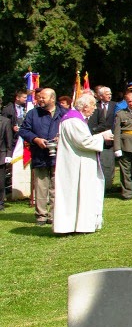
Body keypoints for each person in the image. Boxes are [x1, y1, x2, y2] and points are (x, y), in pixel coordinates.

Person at [53, 92, 113, 234]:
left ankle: (81, 224)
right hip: (76, 164)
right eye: (92, 106)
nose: (94, 109)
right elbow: (84, 141)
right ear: (85, 107)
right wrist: (102, 136)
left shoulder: (76, 120)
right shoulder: (73, 121)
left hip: (78, 161)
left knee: (79, 193)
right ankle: (77, 226)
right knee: (77, 193)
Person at [20, 88, 65, 225]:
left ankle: (54, 215)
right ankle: (41, 216)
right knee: (41, 187)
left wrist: (61, 138)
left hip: (59, 156)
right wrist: (35, 139)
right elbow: (23, 130)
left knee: (56, 186)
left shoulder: (64, 113)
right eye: (39, 97)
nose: (40, 99)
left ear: (52, 99)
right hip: (40, 155)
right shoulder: (33, 114)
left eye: (43, 97)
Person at [87, 86, 118, 191]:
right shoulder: (94, 107)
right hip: (97, 139)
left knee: (109, 163)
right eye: (106, 93)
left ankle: (109, 185)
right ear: (100, 96)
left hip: (112, 138)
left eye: (110, 93)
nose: (109, 95)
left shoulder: (115, 105)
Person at [0, 112, 13, 212]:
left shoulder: (5, 121)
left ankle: (0, 202)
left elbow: (9, 140)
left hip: (1, 155)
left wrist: (8, 156)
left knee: (1, 181)